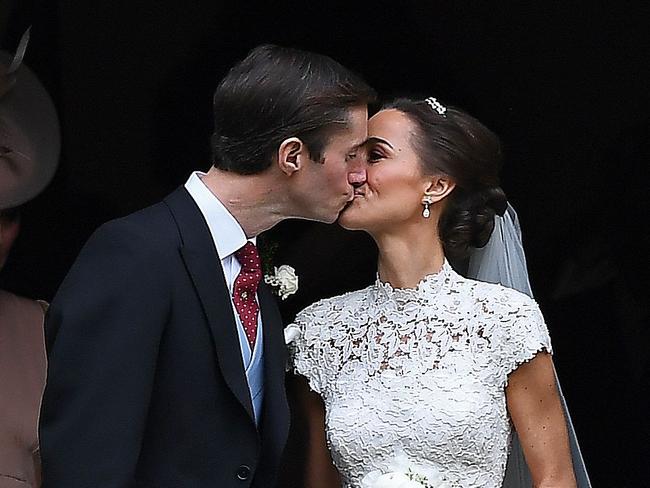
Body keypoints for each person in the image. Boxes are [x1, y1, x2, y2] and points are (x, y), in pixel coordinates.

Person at [39, 44, 375, 488]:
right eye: (351, 154)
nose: (360, 175)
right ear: (291, 156)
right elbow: (86, 460)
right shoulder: (134, 254)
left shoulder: (255, 267)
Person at [288, 97, 583, 487]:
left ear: (437, 184)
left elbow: (555, 478)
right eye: (352, 157)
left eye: (374, 156)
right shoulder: (319, 332)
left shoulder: (505, 320)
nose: (353, 174)